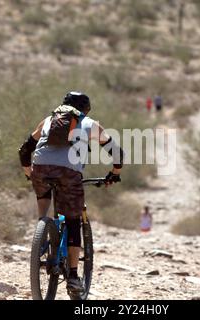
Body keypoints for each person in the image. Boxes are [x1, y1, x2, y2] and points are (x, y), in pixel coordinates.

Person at [18, 91, 124, 294]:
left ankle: (43, 228)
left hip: (40, 168)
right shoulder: (91, 124)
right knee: (74, 220)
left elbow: (24, 151)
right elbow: (117, 152)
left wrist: (29, 174)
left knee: (43, 192)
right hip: (69, 173)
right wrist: (114, 173)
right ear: (86, 110)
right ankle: (74, 277)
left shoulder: (48, 121)